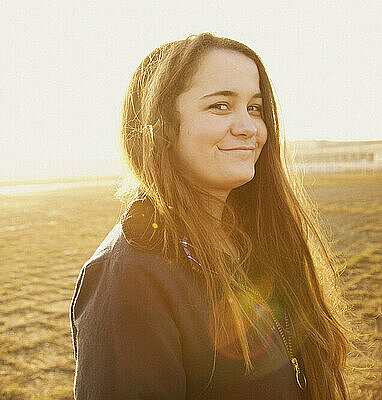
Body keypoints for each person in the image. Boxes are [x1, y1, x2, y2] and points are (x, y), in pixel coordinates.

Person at [69, 32, 350, 399]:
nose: (249, 127)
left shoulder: (250, 241)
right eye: (220, 106)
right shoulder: (128, 277)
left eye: (254, 108)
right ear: (161, 127)